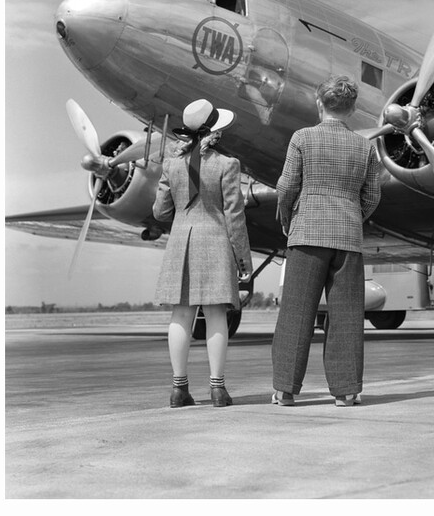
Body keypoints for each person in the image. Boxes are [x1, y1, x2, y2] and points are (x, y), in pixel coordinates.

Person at [271, 75, 381, 407]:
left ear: (320, 104)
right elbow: (373, 196)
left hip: (306, 234)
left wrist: (291, 219)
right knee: (347, 316)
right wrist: (352, 215)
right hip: (347, 237)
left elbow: (286, 187)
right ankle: (347, 391)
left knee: (295, 313)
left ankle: (285, 390)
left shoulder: (302, 138)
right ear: (352, 109)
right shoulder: (366, 146)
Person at [152, 98, 253, 408]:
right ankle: (218, 390)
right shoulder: (228, 165)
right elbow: (234, 216)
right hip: (215, 242)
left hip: (180, 242)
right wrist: (243, 259)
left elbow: (159, 211)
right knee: (216, 316)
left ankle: (178, 390)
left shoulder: (170, 164)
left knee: (180, 315)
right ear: (215, 131)